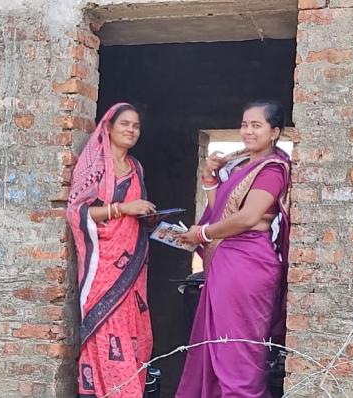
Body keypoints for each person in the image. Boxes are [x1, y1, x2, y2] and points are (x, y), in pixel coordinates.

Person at [175, 100, 293, 398]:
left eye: (257, 125)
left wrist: (201, 233)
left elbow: (249, 217)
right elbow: (222, 214)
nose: (248, 131)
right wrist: (210, 178)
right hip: (227, 262)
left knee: (237, 353)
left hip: (249, 265)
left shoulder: (273, 169)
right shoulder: (241, 165)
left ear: (275, 132)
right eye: (244, 124)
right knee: (215, 348)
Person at [66, 102, 157, 397]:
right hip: (102, 268)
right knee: (106, 332)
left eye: (136, 126)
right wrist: (122, 209)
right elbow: (77, 213)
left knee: (135, 336)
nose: (131, 130)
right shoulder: (95, 167)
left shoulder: (136, 168)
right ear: (108, 127)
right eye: (125, 124)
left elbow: (133, 212)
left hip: (131, 268)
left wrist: (145, 216)